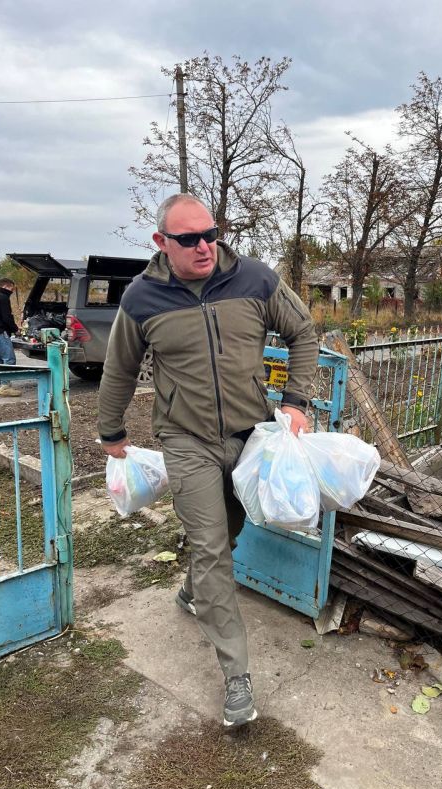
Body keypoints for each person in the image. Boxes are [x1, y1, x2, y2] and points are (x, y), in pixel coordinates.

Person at [97, 194, 319, 727]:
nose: (204, 246)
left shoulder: (255, 279)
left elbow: (303, 331)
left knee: (234, 526)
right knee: (211, 544)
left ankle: (193, 591)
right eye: (188, 238)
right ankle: (237, 676)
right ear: (161, 243)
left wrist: (295, 401)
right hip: (185, 438)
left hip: (250, 436)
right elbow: (120, 368)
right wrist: (111, 431)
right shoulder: (142, 297)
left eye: (211, 233)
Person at [0, 277, 22, 397]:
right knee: (9, 359)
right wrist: (15, 330)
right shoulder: (3, 298)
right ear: (6, 286)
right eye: (11, 288)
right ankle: (5, 386)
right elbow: (7, 317)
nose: (12, 291)